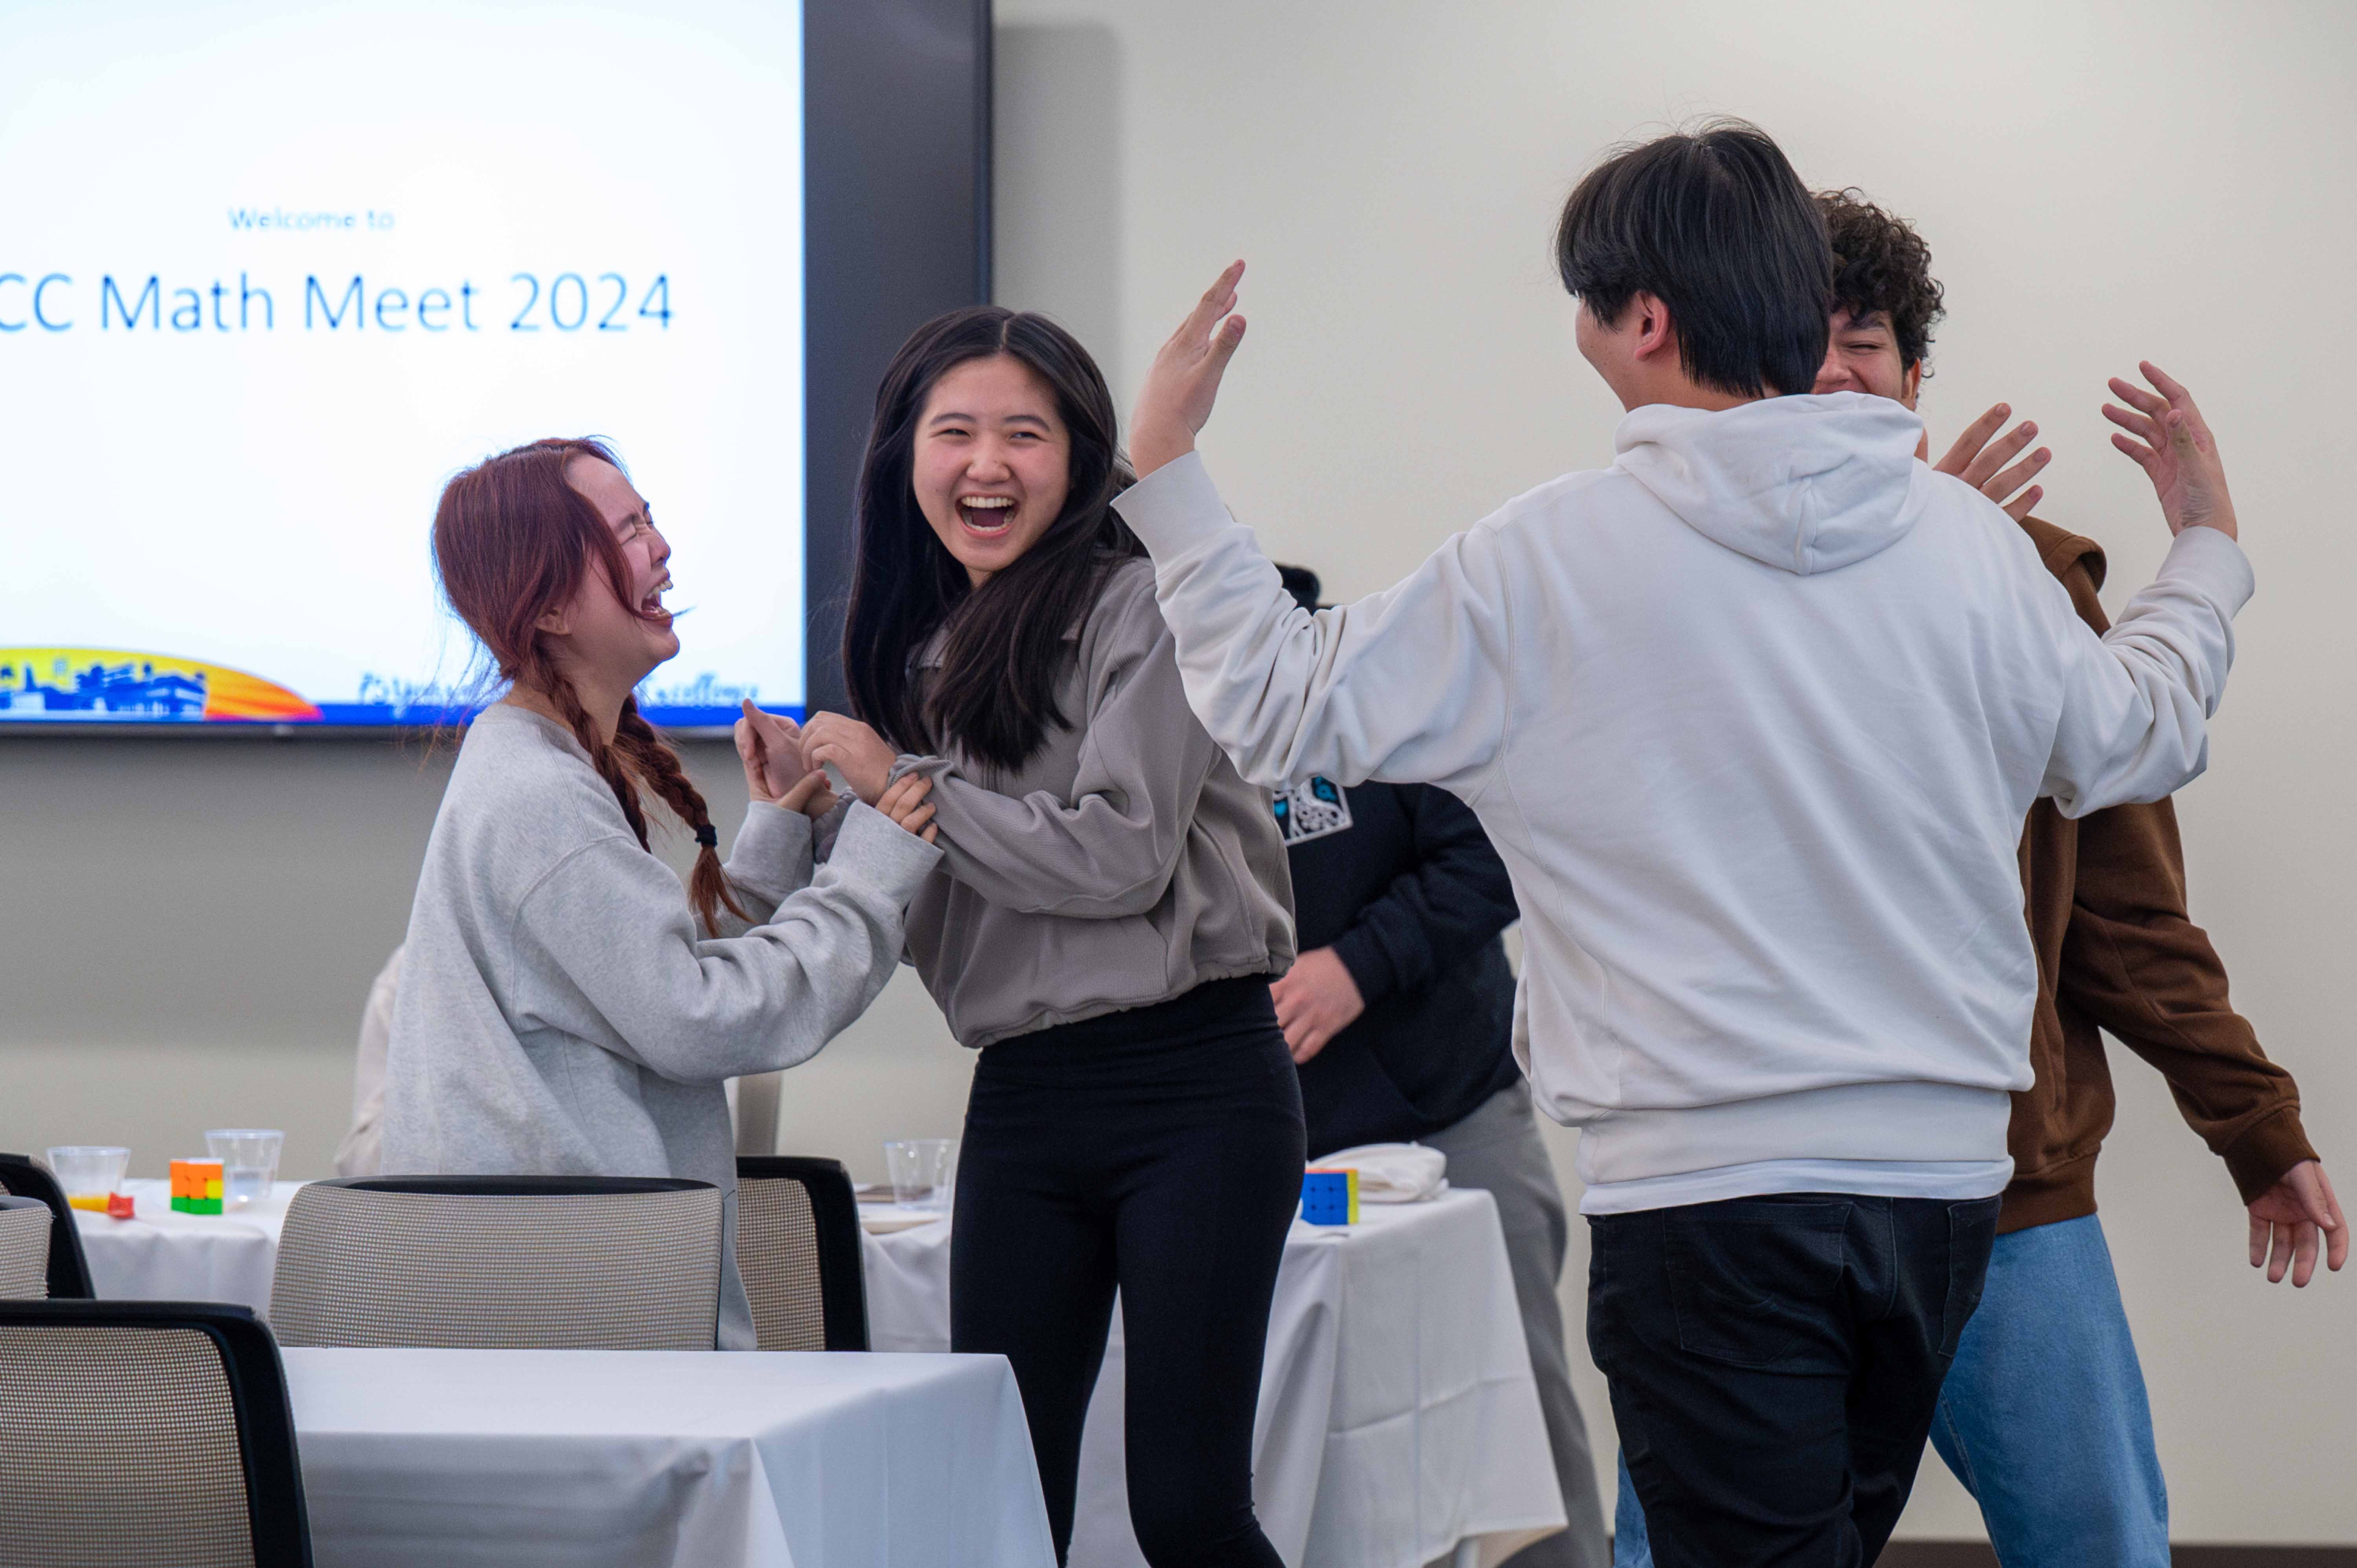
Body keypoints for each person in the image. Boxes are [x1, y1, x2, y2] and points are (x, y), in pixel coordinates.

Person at [1103, 121, 2256, 1564]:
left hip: (1708, 1196)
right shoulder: (1965, 547)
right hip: (1942, 1195)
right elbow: (2140, 729)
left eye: (1583, 298)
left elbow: (1277, 704)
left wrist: (1165, 461)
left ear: (1642, 319)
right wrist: (2202, 549)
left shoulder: (1549, 557)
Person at [1608, 189, 2344, 1568]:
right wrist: (1875, 578)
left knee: (2100, 1539)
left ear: (1916, 377)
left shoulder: (2022, 587)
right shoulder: (1651, 574)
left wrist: (2258, 1124)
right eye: (1802, 345)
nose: (1835, 374)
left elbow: (2129, 923)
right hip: (1739, 1191)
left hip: (2006, 1190)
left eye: (1868, 344)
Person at [795, 308, 1299, 1568]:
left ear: (1078, 456)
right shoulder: (917, 653)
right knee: (1000, 1500)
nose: (985, 465)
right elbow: (929, 911)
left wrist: (903, 786)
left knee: (1187, 1506)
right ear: (902, 458)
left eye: (1023, 434)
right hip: (1024, 1098)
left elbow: (1117, 853)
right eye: (952, 432)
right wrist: (812, 821)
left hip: (1196, 1086)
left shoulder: (1146, 605)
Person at [379, 437, 942, 1350]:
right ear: (552, 601)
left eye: (650, 520)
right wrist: (870, 874)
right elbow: (697, 1019)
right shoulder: (539, 795)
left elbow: (645, 981)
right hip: (566, 1300)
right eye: (627, 529)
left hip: (564, 1282)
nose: (662, 548)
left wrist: (780, 833)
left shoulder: (540, 765)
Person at [1269, 563, 1608, 1568]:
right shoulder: (1149, 704)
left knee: (1515, 1403)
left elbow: (1494, 859)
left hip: (1447, 1114)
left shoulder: (1381, 676)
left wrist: (1354, 968)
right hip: (1263, 1138)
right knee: (1307, 1428)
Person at [332, 945, 402, 1178]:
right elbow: (358, 1162)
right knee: (212, 1200)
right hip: (427, 1207)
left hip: (517, 1209)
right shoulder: (412, 969)